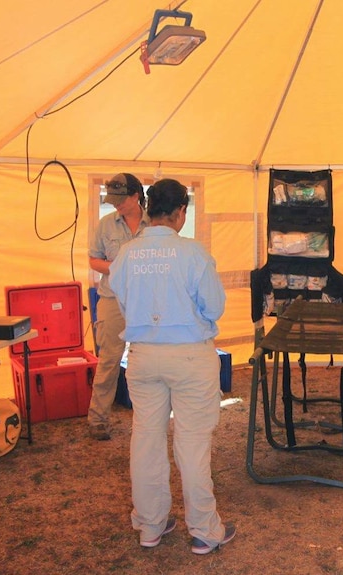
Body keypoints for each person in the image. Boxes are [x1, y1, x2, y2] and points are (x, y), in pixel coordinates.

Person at [109, 178, 236, 554]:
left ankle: (150, 526)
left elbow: (122, 304)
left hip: (144, 355)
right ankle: (204, 530)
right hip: (189, 356)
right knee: (193, 444)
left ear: (148, 209)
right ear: (181, 212)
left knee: (145, 440)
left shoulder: (127, 255)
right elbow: (214, 308)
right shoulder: (193, 254)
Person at [87, 173, 149, 441]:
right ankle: (98, 419)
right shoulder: (105, 225)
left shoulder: (155, 224)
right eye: (112, 201)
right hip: (112, 299)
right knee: (109, 359)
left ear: (136, 196)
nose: (116, 206)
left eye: (121, 200)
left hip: (146, 301)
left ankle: (148, 418)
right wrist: (120, 268)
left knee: (146, 359)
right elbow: (93, 260)